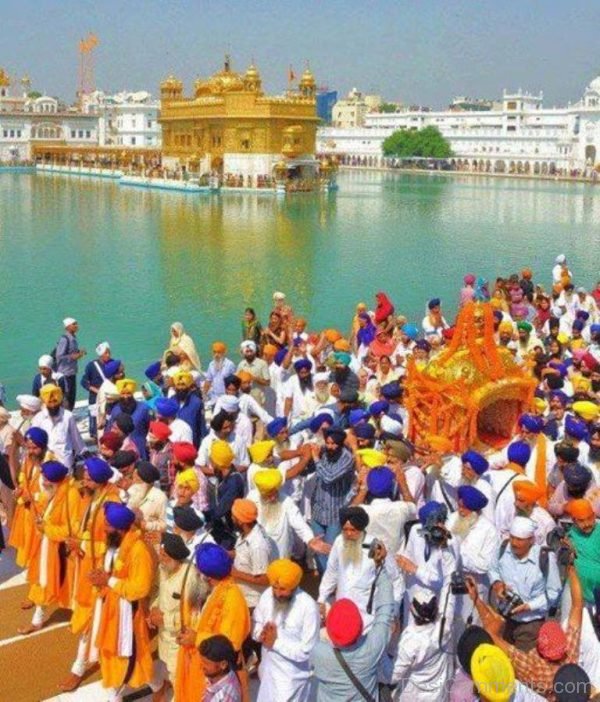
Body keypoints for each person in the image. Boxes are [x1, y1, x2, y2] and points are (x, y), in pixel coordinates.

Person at [465, 563, 584, 700]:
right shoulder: (571, 652)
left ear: (540, 648)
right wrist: (572, 568)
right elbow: (577, 605)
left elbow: (493, 637)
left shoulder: (533, 669)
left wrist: (476, 600)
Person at [89, 502, 155, 701]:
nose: (105, 528)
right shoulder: (114, 542)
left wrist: (108, 580)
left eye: (108, 525)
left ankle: (116, 696)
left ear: (120, 528)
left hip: (127, 614)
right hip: (108, 606)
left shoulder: (138, 550)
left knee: (126, 658)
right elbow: (109, 569)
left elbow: (140, 588)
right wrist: (99, 576)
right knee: (110, 654)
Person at [174, 543, 250, 702]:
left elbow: (230, 644)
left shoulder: (233, 599)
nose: (194, 571)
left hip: (212, 673)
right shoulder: (202, 589)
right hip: (191, 660)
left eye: (197, 568)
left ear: (206, 576)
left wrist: (196, 638)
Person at [311, 568, 395, 701]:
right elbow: (385, 611)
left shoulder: (318, 652)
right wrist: (380, 570)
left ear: (329, 631)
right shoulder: (372, 648)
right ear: (361, 626)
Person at [19, 460, 80, 634]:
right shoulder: (54, 491)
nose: (43, 482)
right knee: (44, 582)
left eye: (45, 479)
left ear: (55, 481)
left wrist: (46, 528)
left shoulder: (71, 495)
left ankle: (79, 617)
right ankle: (38, 619)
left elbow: (72, 529)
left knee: (69, 584)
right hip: (48, 546)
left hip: (63, 550)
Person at [318, 506, 401, 630]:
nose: (349, 534)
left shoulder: (376, 546)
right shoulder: (339, 542)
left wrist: (393, 614)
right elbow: (331, 572)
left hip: (368, 617)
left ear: (362, 529)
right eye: (345, 530)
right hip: (343, 611)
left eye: (353, 530)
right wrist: (322, 599)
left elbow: (396, 580)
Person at [489, 516, 561, 651]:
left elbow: (554, 592)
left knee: (522, 666)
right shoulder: (503, 548)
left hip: (530, 625)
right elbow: (492, 569)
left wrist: (529, 606)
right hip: (504, 619)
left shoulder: (544, 557)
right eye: (512, 538)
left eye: (519, 539)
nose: (514, 543)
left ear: (531, 540)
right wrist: (497, 584)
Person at [148, 532, 205, 702]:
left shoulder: (191, 578)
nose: (160, 557)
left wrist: (164, 619)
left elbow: (194, 617)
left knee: (179, 679)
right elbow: (159, 592)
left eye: (164, 555)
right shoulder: (165, 567)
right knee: (166, 668)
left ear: (175, 558)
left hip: (179, 640)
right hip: (164, 637)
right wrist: (153, 609)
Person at [253, 559, 320, 702]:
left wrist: (275, 643)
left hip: (291, 682)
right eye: (274, 588)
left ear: (294, 586)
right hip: (267, 674)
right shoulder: (267, 595)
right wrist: (261, 634)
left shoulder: (308, 607)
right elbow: (256, 623)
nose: (277, 594)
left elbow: (308, 652)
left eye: (283, 589)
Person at [390, 593, 454, 701]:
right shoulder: (445, 627)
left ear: (412, 610)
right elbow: (450, 601)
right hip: (439, 696)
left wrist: (389, 642)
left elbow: (392, 677)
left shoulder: (410, 643)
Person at [31, 384, 85, 470]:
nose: (52, 405)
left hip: (65, 460)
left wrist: (84, 452)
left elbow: (76, 438)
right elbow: (33, 441)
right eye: (50, 402)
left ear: (59, 401)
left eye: (54, 402)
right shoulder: (38, 418)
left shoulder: (68, 416)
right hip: (46, 460)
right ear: (45, 403)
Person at [565, 499, 600, 608]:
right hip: (580, 598)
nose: (587, 524)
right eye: (581, 520)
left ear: (594, 516)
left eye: (590, 518)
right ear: (573, 521)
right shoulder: (569, 537)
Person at [106, 379, 151, 459]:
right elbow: (109, 431)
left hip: (141, 448)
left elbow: (151, 428)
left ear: (133, 393)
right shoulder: (115, 410)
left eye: (128, 393)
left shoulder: (144, 408)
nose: (125, 396)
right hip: (122, 450)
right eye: (123, 394)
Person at [80, 341, 111, 438]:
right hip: (95, 400)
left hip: (109, 400)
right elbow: (84, 382)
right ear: (100, 354)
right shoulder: (91, 366)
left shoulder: (113, 363)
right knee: (95, 429)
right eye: (106, 353)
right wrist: (98, 391)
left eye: (109, 352)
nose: (109, 355)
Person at [55, 317, 86, 410]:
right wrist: (75, 356)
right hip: (65, 373)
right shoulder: (65, 339)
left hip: (72, 372)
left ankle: (69, 413)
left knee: (72, 395)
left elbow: (71, 352)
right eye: (74, 324)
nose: (77, 326)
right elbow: (59, 356)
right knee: (66, 395)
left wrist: (79, 352)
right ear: (68, 326)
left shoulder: (73, 338)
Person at [200, 635, 243, 702]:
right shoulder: (214, 676)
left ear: (223, 664)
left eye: (206, 663)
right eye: (202, 661)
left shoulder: (227, 695)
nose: (202, 666)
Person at [172, 370, 206, 447]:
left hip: (192, 442)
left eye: (183, 385)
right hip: (175, 443)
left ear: (189, 387)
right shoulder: (171, 401)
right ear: (175, 387)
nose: (180, 388)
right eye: (178, 385)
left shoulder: (197, 403)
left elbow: (201, 424)